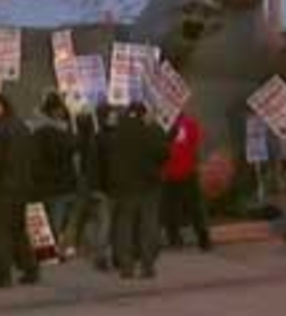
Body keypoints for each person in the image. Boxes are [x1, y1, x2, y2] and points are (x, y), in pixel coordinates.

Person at [0, 89, 39, 288]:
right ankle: (30, 269)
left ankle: (2, 274)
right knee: (18, 230)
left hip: (1, 188)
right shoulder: (21, 126)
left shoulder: (0, 128)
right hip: (20, 187)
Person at [106, 102, 170, 279]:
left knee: (124, 226)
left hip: (124, 187)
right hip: (149, 186)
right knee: (148, 226)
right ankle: (147, 266)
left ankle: (126, 267)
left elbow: (109, 158)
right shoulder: (151, 130)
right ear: (144, 115)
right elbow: (164, 153)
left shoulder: (116, 132)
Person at [30, 93, 79, 253]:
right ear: (54, 111)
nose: (62, 114)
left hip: (43, 183)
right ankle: (54, 248)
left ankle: (46, 248)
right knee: (56, 218)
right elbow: (62, 153)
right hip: (59, 183)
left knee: (48, 217)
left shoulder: (36, 129)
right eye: (60, 110)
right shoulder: (57, 132)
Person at [160, 108, 212, 251]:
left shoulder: (163, 125)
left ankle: (175, 239)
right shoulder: (191, 124)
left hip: (170, 172)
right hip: (188, 171)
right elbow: (195, 145)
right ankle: (204, 239)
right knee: (195, 207)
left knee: (171, 208)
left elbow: (158, 147)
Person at [75, 104, 116, 272]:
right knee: (104, 223)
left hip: (101, 187)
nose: (115, 118)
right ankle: (101, 257)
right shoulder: (101, 139)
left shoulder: (98, 137)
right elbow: (96, 166)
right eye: (112, 115)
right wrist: (96, 188)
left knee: (98, 222)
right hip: (104, 188)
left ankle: (97, 252)